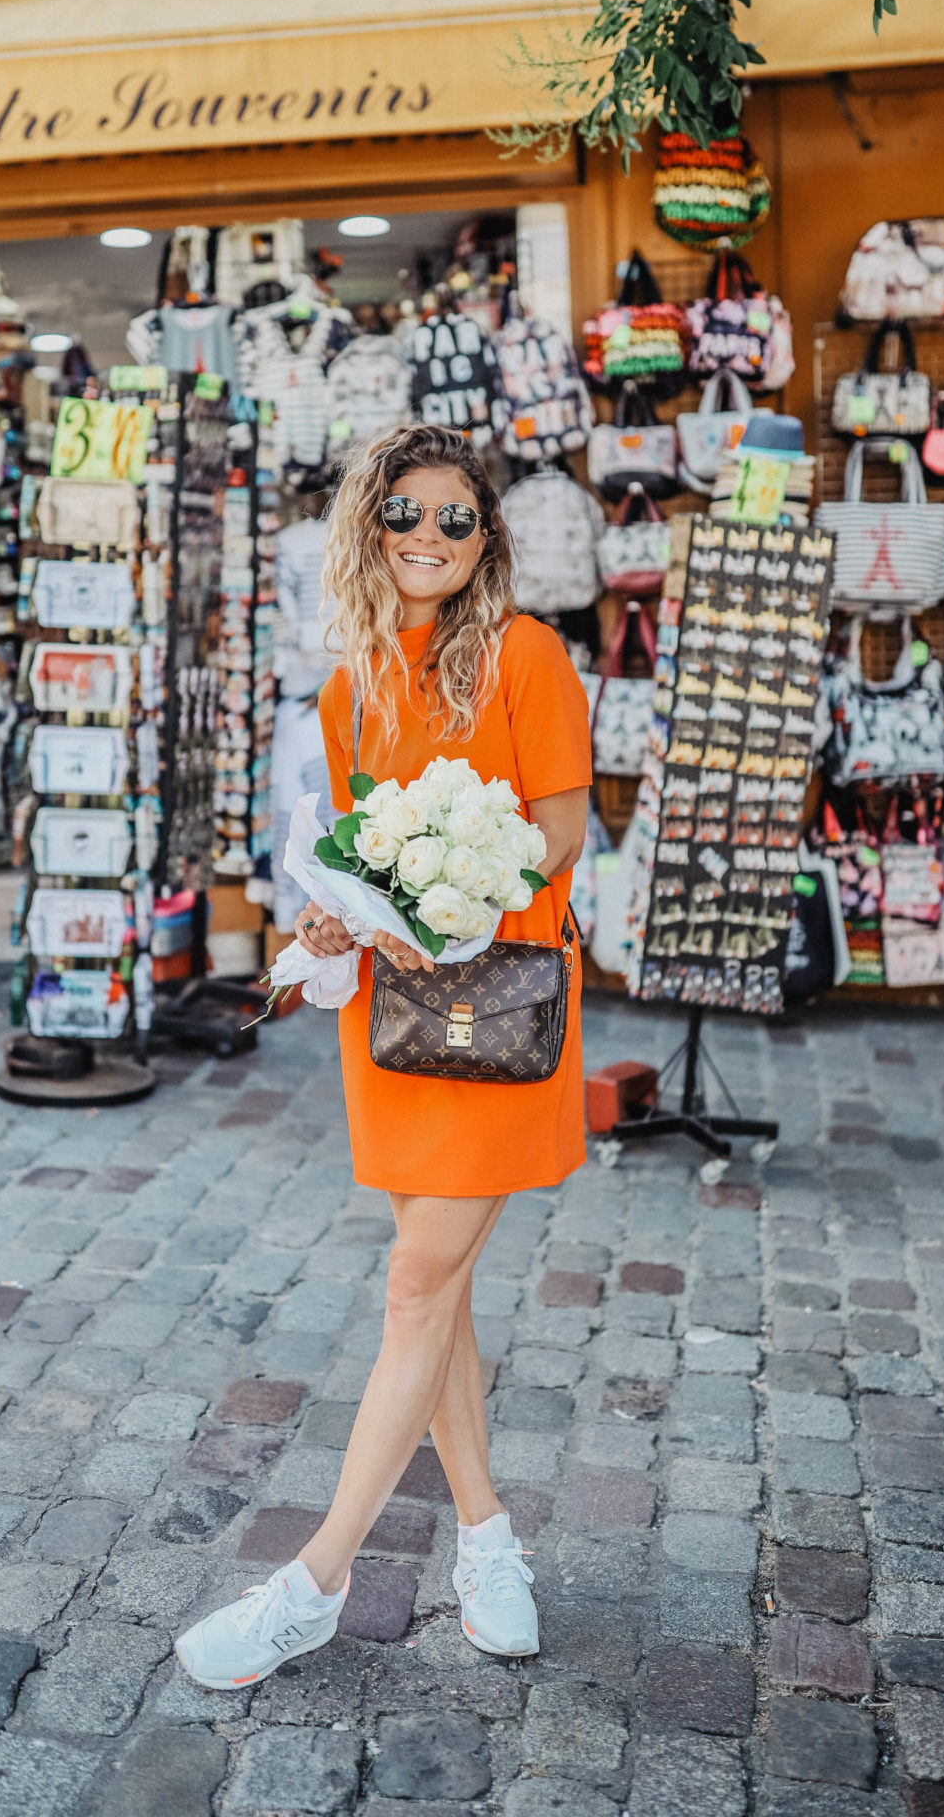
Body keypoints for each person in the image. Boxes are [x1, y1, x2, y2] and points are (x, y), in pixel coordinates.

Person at [176, 423, 592, 1688]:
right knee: (440, 1287)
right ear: (369, 527)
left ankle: (316, 1579)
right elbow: (358, 855)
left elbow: (562, 832)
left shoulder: (528, 656)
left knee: (417, 1285)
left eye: (455, 519)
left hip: (499, 1006)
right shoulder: (349, 687)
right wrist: (337, 912)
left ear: (488, 537)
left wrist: (448, 901)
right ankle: (486, 1541)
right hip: (395, 1021)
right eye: (404, 515)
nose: (428, 538)